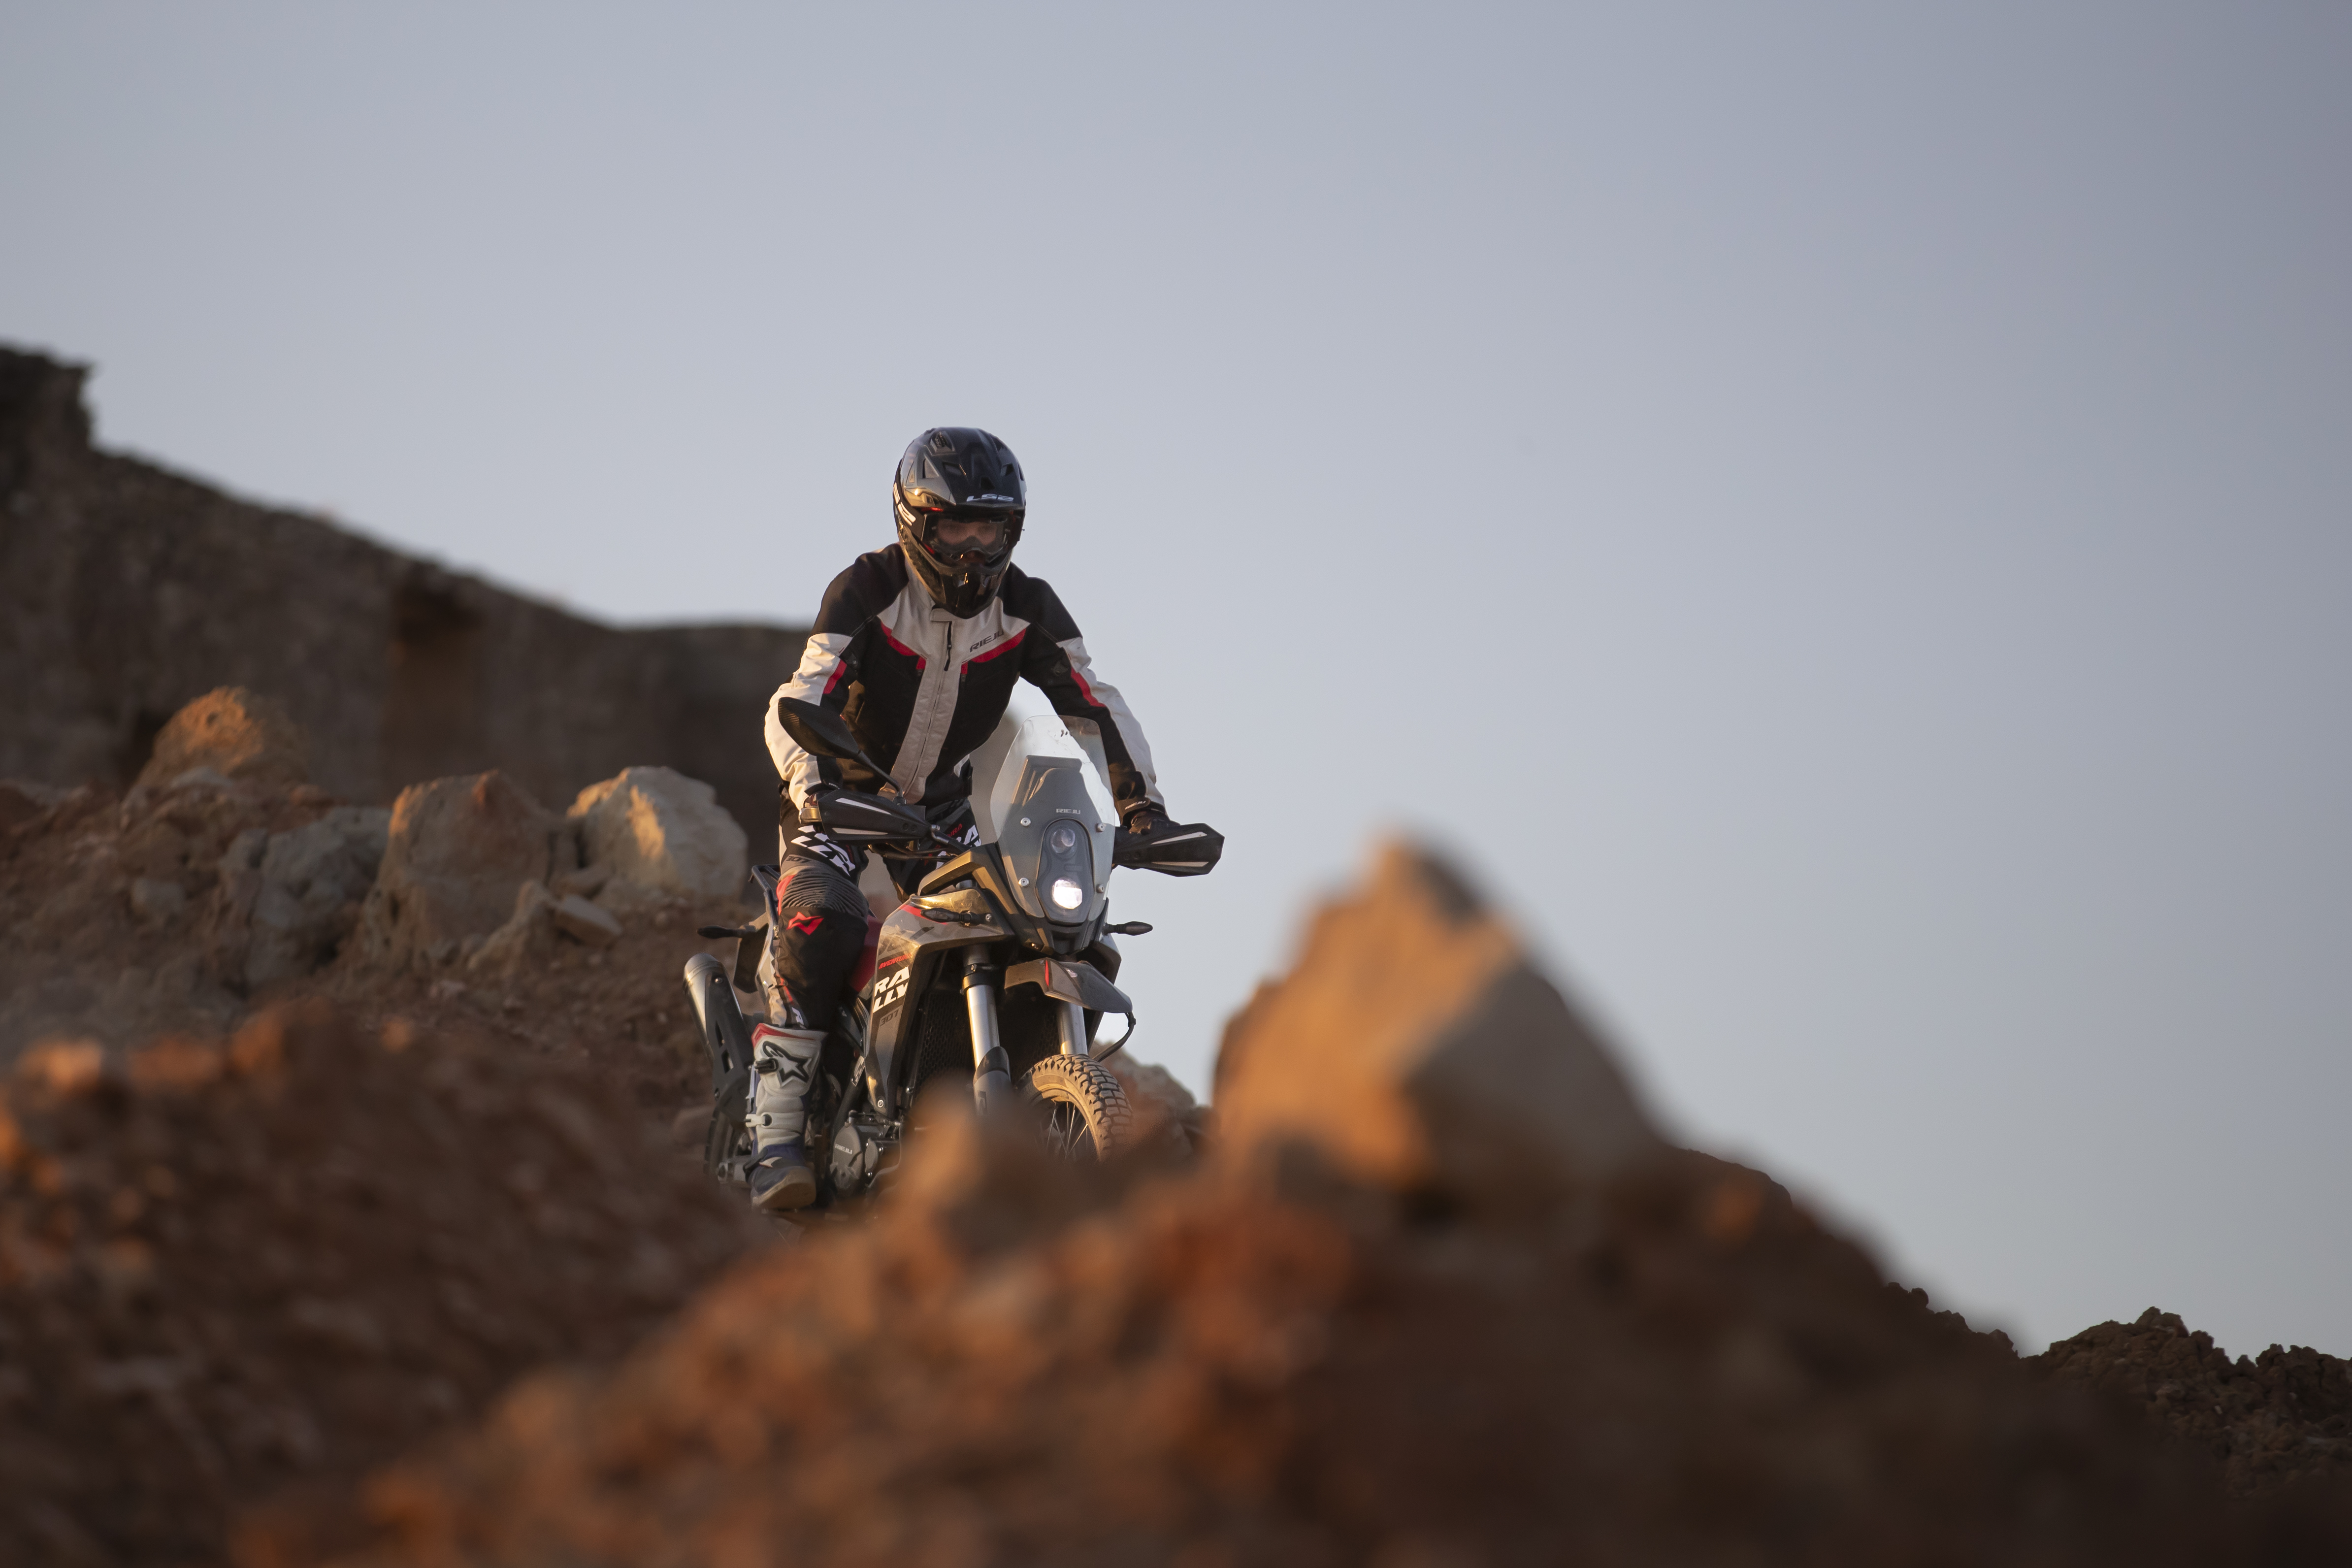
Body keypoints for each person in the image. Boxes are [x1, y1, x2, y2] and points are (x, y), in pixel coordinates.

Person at [743, 426, 1191, 1211]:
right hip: (843, 804)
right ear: (915, 523)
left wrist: (1142, 808)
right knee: (822, 924)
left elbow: (1093, 704)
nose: (973, 552)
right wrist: (814, 788)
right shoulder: (868, 589)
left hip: (941, 815)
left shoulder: (1028, 608)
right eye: (956, 530)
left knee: (1019, 922)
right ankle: (774, 1133)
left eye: (990, 532)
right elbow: (799, 699)